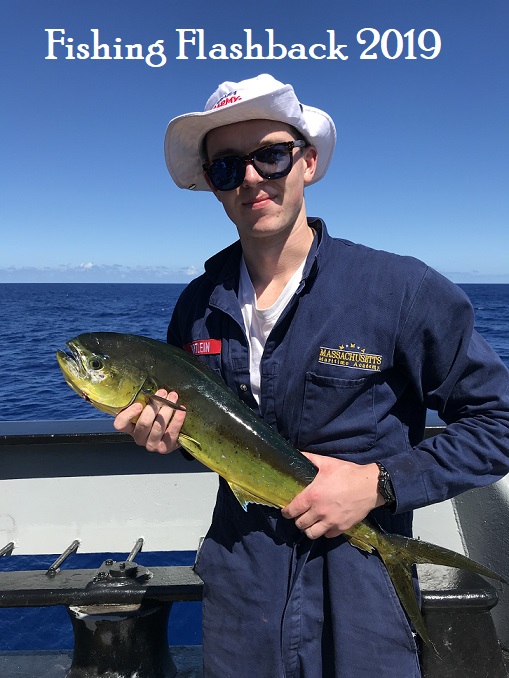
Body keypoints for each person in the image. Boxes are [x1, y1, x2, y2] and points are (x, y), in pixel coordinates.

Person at [114, 73, 509, 677]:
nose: (251, 178)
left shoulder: (399, 289)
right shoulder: (196, 305)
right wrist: (168, 438)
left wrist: (380, 484)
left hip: (362, 595)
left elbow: (498, 421)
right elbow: (213, 439)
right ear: (213, 187)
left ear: (308, 161)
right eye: (227, 167)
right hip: (242, 591)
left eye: (270, 155)